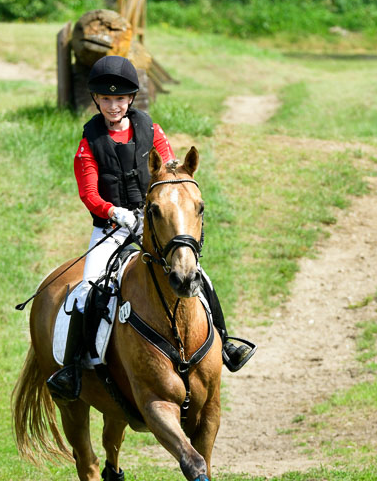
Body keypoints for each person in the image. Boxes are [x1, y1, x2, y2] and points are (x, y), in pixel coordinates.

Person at [47, 55, 255, 402]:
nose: (114, 106)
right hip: (111, 229)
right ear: (96, 99)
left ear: (131, 99)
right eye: (106, 99)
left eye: (120, 99)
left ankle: (225, 343)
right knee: (86, 289)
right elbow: (89, 194)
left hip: (154, 223)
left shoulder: (151, 130)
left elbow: (168, 169)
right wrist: (116, 212)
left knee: (201, 279)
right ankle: (73, 368)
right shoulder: (89, 143)